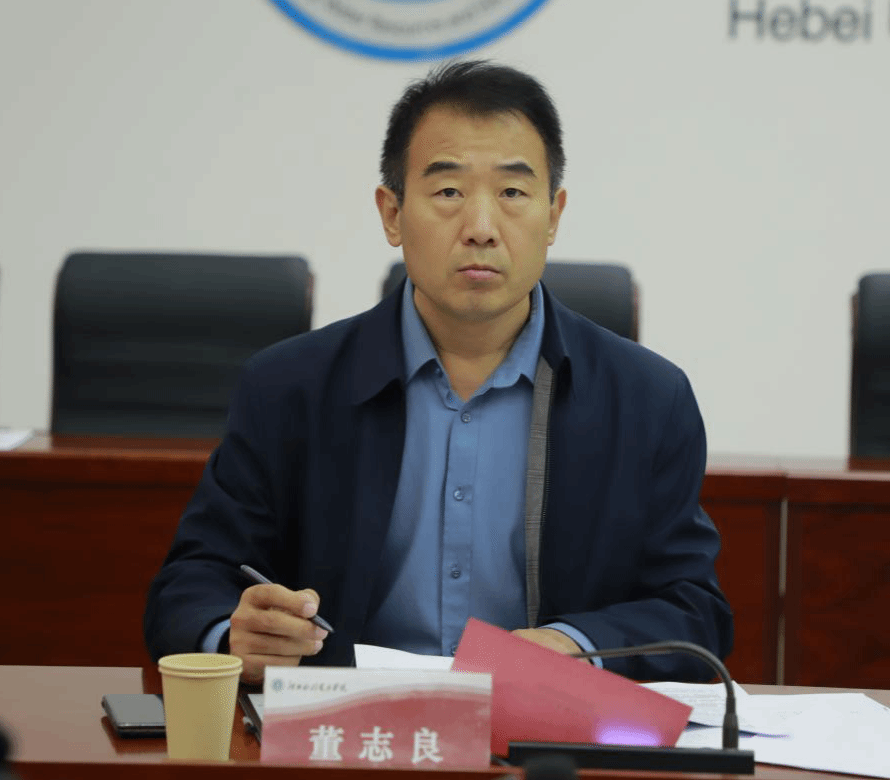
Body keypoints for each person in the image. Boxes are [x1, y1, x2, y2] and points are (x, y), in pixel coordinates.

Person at [144, 60, 733, 684]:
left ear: (554, 215)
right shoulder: (290, 387)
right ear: (392, 213)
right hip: (347, 726)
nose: (480, 229)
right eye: (448, 192)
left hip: (541, 729)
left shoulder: (647, 399)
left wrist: (573, 644)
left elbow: (694, 611)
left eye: (512, 193)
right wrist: (234, 633)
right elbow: (191, 584)